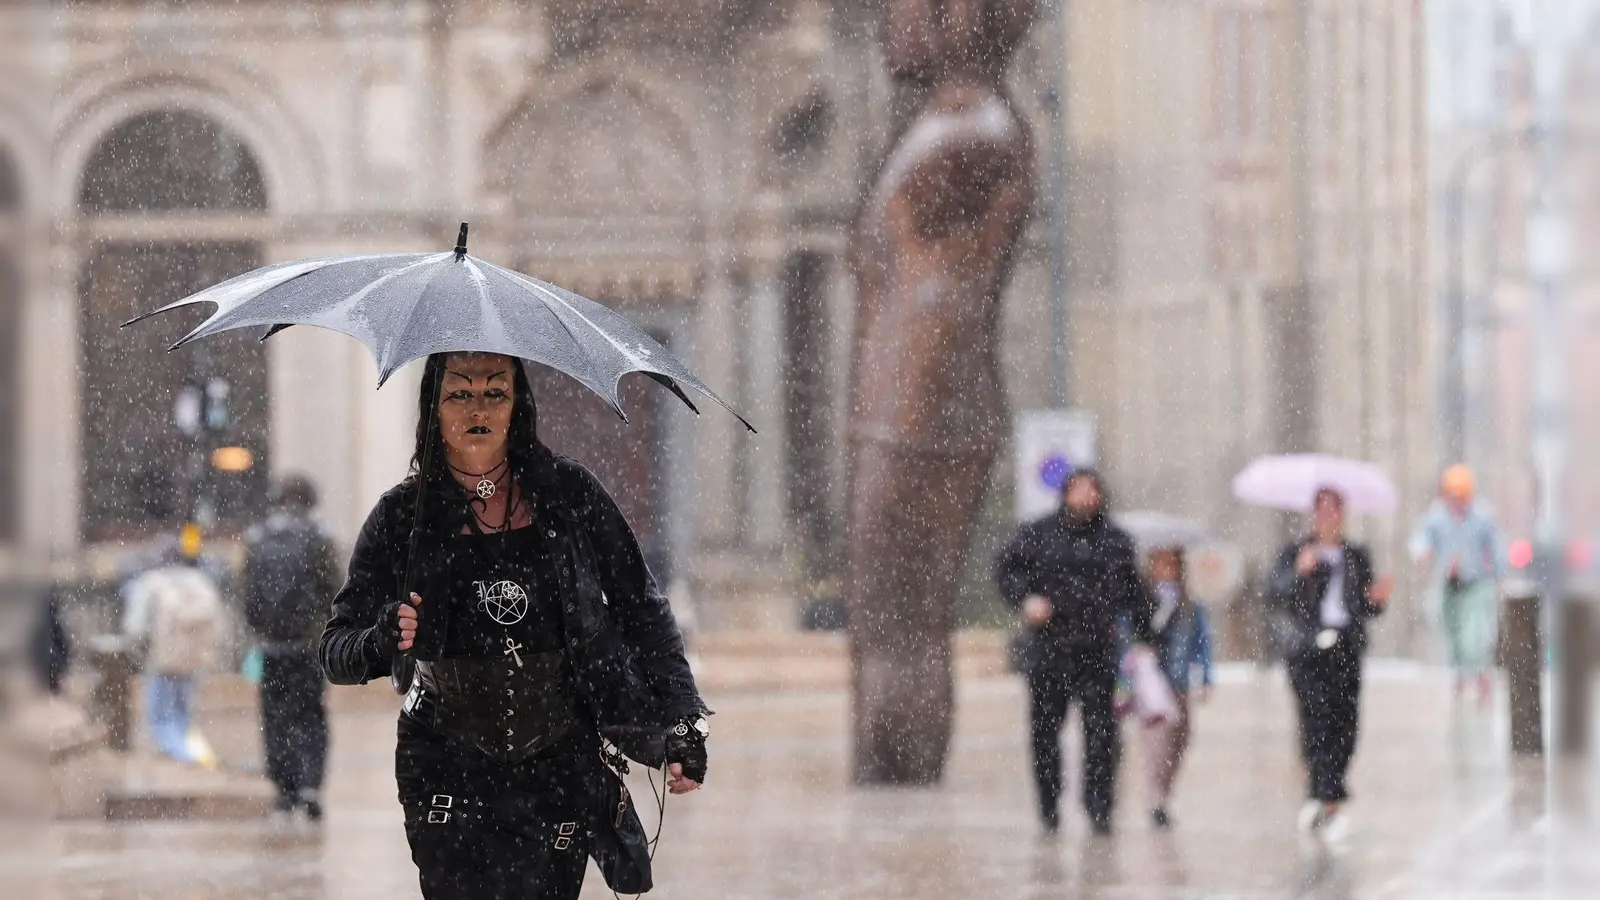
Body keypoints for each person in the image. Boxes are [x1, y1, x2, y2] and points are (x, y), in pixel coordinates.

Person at [318, 352, 709, 900]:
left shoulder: (571, 495)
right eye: (459, 393)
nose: (478, 407)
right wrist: (383, 639)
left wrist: (683, 719)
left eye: (495, 392)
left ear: (517, 404)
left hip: (559, 760)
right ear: (433, 406)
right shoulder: (402, 515)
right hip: (445, 761)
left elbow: (640, 607)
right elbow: (336, 650)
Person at [995, 469, 1148, 835]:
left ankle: (1099, 807)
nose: (1086, 496)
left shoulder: (1115, 541)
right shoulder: (1038, 535)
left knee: (1102, 735)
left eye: (1093, 489)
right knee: (1045, 733)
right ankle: (1049, 806)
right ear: (1065, 494)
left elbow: (1134, 594)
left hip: (1098, 652)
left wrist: (1144, 638)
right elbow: (1005, 570)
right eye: (1079, 489)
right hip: (1050, 649)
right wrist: (1025, 600)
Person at [1268, 487, 1392, 838]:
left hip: (1346, 647)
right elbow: (1276, 593)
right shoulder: (1296, 552)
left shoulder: (1356, 555)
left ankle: (1328, 788)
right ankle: (1326, 796)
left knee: (1346, 724)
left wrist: (1376, 600)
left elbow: (1365, 606)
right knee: (1316, 722)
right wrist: (1299, 572)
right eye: (1321, 510)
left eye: (1334, 510)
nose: (1328, 517)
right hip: (1308, 648)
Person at [244, 474, 343, 821]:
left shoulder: (258, 539)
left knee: (275, 719)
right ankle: (310, 785)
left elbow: (249, 597)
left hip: (272, 647)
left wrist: (263, 629)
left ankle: (284, 792)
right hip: (309, 646)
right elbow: (336, 592)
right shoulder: (320, 538)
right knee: (311, 715)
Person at [121, 527, 225, 765]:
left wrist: (139, 652)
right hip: (193, 660)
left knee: (160, 718)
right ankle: (195, 755)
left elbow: (134, 629)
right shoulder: (200, 581)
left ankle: (183, 760)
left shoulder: (149, 584)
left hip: (162, 660)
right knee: (183, 716)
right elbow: (218, 624)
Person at [1409, 464, 1505, 703]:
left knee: (1474, 635)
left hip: (1476, 584)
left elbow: (1496, 549)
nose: (1456, 503)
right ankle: (1461, 674)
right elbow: (1420, 538)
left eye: (1461, 497)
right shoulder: (1437, 518)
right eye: (1452, 496)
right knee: (1452, 632)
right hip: (1448, 585)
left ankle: (1480, 673)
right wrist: (1423, 552)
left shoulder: (1482, 518)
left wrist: (1499, 577)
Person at [1138, 546, 1214, 829]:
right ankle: (1155, 799)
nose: (1166, 570)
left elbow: (1202, 642)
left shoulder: (1189, 607)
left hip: (1179, 681)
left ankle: (1164, 793)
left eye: (1172, 564)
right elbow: (1127, 637)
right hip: (1151, 685)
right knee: (1156, 744)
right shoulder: (1142, 603)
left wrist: (1206, 676)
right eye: (1161, 563)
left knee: (1180, 740)